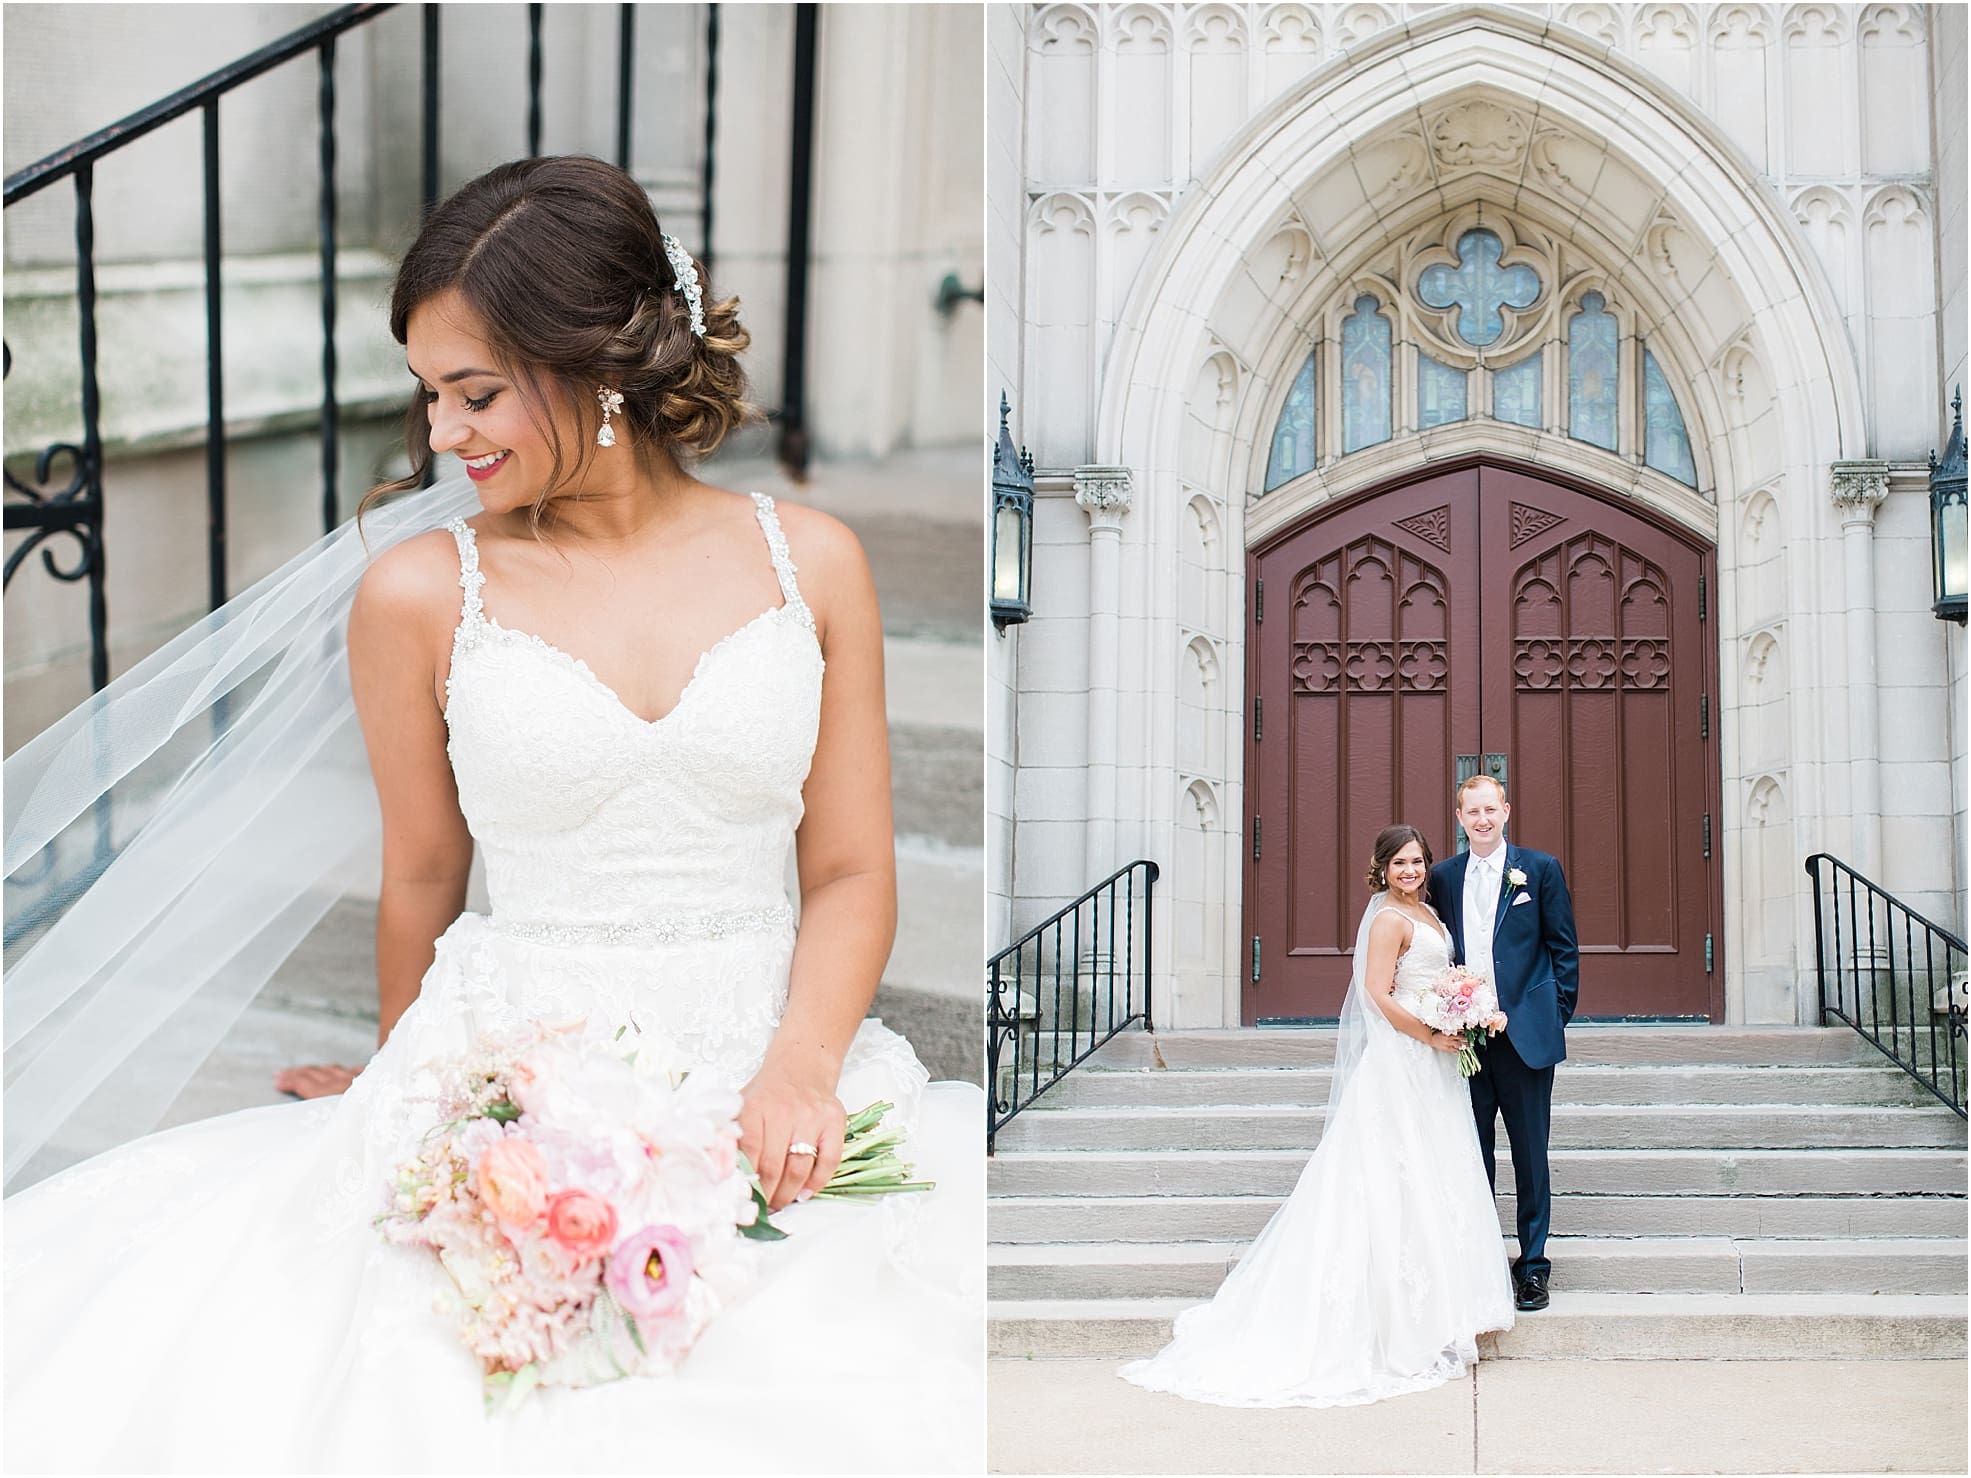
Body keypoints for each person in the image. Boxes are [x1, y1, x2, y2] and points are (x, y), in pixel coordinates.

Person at [3, 156, 981, 1473]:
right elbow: (420, 875)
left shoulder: (811, 561)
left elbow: (855, 866)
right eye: (427, 396)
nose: (443, 435)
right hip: (519, 1071)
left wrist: (799, 1067)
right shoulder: (417, 592)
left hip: (769, 1056)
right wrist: (409, 1074)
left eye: (474, 392)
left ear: (605, 363)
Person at [1119, 825, 1513, 1408]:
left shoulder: (1427, 911)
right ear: (1380, 869)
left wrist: (1462, 1008)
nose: (1410, 871)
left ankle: (1443, 1305)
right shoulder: (1386, 920)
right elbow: (1379, 994)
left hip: (1434, 1063)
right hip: (1405, 1058)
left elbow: (1430, 979)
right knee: (1387, 1176)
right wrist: (1430, 1032)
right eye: (1399, 864)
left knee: (1433, 1174)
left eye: (1417, 861)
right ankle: (1394, 1318)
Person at [1426, 774, 1580, 1312]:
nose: (1482, 820)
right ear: (1460, 817)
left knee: (1531, 1156)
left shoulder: (1538, 870)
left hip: (1525, 1038)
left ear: (1507, 811)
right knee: (1473, 1156)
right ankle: (1480, 1261)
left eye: (1490, 810)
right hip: (1465, 1041)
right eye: (1472, 812)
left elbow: (1564, 949)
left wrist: (1553, 1016)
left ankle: (1532, 1266)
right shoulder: (1443, 877)